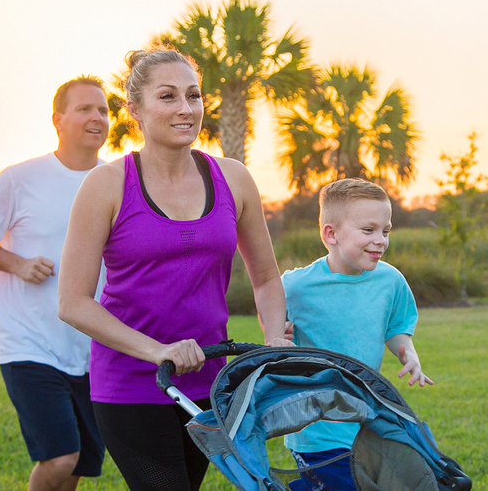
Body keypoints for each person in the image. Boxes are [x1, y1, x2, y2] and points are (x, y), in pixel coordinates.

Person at [57, 46, 292, 491]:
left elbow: (265, 277)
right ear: (136, 110)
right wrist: (157, 351)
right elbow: (72, 302)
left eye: (194, 95)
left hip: (210, 380)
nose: (186, 109)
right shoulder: (106, 185)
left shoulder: (233, 178)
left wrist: (275, 337)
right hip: (129, 383)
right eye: (167, 97)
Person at [0, 76, 108, 491]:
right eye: (84, 109)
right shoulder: (19, 178)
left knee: (79, 465)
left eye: (103, 110)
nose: (96, 117)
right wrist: (19, 264)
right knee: (60, 457)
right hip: (27, 343)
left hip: (89, 346)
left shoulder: (117, 180)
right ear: (58, 120)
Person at [281, 178, 433, 491]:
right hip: (316, 429)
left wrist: (408, 352)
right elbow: (270, 309)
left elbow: (396, 327)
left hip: (367, 423)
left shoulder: (390, 281)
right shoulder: (296, 287)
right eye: (369, 230)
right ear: (331, 234)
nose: (381, 240)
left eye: (386, 230)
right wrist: (278, 331)